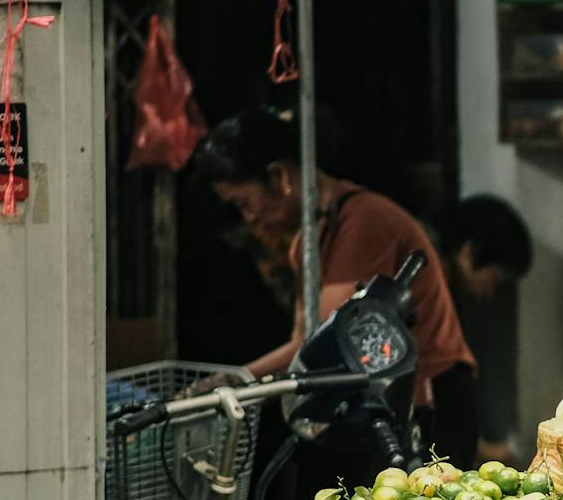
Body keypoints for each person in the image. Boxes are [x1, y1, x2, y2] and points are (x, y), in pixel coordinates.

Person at [195, 106, 478, 464]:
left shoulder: (361, 222)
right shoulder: (313, 238)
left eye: (245, 203)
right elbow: (302, 343)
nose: (248, 218)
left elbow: (325, 344)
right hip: (391, 400)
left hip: (430, 396)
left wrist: (238, 382)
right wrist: (238, 382)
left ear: (280, 176)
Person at [435, 195, 534, 464]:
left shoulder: (446, 296)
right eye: (496, 278)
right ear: (468, 253)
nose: (491, 291)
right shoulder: (430, 294)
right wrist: (483, 451)